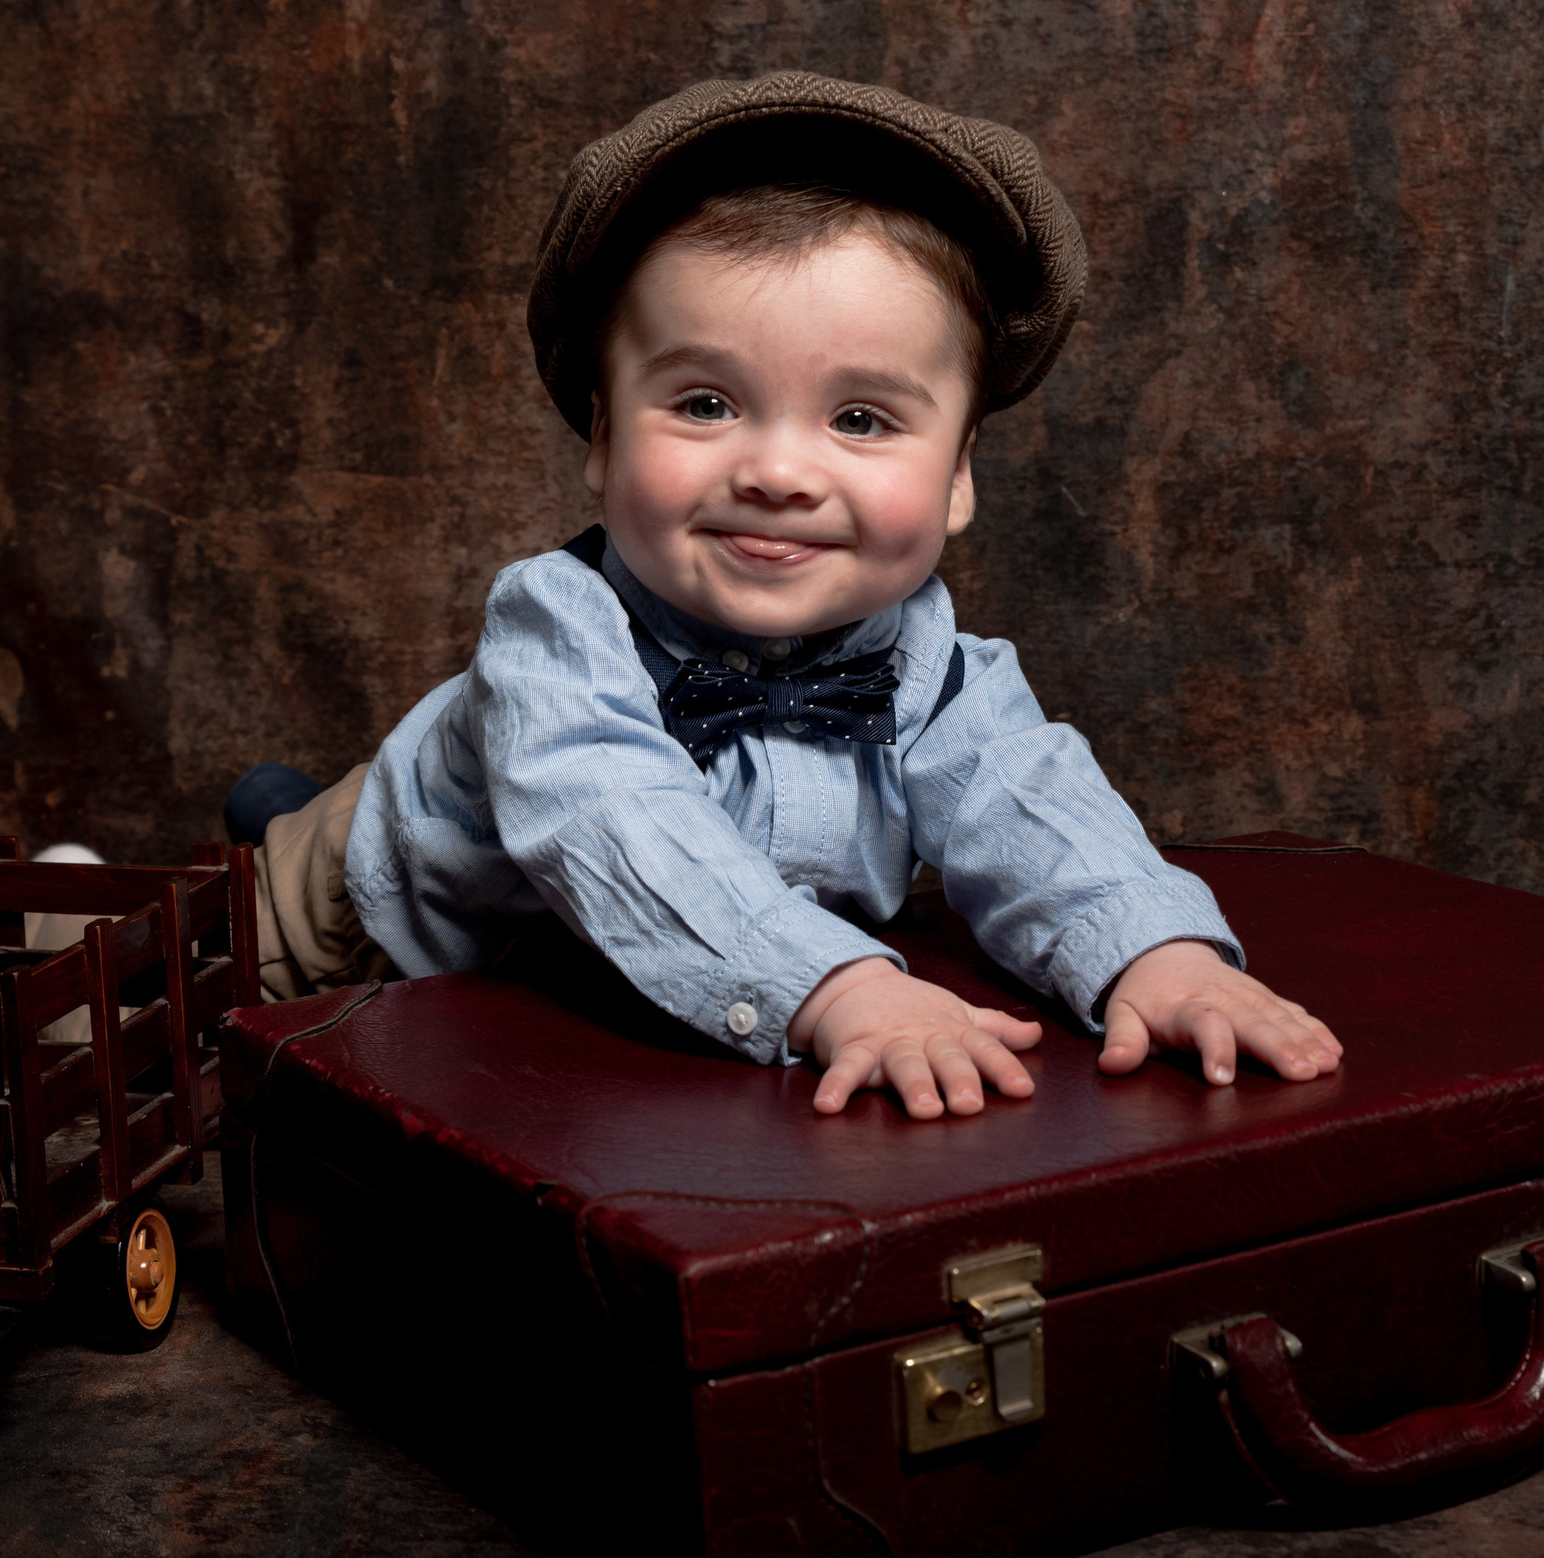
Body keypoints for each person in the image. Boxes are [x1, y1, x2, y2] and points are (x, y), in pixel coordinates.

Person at [236, 73, 1341, 1119]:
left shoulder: (930, 660)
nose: (776, 471)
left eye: (860, 418)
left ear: (957, 476)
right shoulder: (552, 623)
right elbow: (615, 820)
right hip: (359, 921)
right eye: (707, 402)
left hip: (621, 1005)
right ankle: (207, 848)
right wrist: (837, 986)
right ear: (603, 437)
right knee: (186, 969)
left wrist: (1154, 950)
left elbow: (1029, 801)